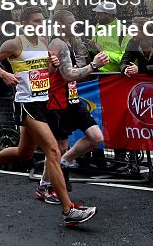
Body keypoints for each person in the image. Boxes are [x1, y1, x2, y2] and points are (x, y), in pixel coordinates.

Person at [0, 6, 96, 226]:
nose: (39, 25)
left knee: (24, 152)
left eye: (41, 21)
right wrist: (5, 74)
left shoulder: (43, 42)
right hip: (26, 104)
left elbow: (43, 74)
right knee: (53, 149)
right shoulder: (15, 43)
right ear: (23, 23)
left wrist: (52, 66)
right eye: (35, 21)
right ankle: (69, 210)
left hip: (42, 103)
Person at [46, 10, 109, 189]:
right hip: (58, 101)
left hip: (73, 98)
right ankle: (47, 184)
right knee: (58, 147)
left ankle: (64, 162)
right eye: (70, 22)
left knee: (96, 137)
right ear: (59, 25)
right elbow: (68, 75)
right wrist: (94, 65)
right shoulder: (58, 43)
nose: (75, 25)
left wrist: (89, 58)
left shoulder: (70, 42)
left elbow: (77, 69)